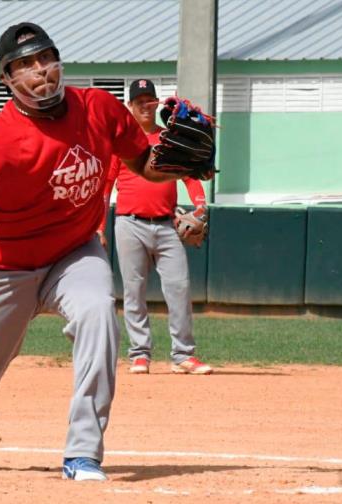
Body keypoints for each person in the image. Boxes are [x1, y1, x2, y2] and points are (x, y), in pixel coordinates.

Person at [0, 22, 184, 481]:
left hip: (74, 251)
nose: (39, 71)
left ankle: (82, 455)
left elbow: (142, 164)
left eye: (44, 58)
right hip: (2, 269)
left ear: (59, 62)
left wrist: (179, 163)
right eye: (24, 65)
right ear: (7, 80)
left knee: (97, 316)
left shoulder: (99, 108)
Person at [98, 79, 213, 376]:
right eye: (139, 101)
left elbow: (189, 178)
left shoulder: (169, 141)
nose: (145, 106)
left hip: (166, 226)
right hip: (128, 223)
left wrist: (200, 204)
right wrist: (99, 227)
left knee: (179, 288)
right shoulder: (122, 143)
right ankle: (139, 354)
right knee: (134, 292)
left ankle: (183, 356)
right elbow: (106, 187)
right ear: (130, 107)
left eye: (150, 100)